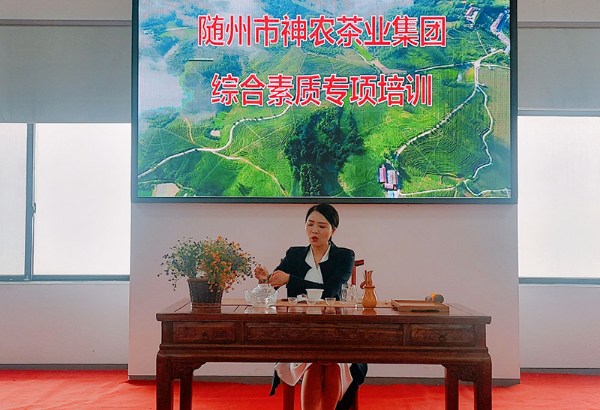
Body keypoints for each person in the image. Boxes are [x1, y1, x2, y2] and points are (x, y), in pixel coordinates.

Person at [254, 203, 367, 410]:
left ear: (333, 230)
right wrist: (265, 279)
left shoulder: (344, 256)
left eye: (322, 226)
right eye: (310, 224)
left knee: (328, 362)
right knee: (317, 362)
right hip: (298, 329)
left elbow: (331, 290)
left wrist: (290, 279)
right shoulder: (294, 254)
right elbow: (273, 285)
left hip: (335, 330)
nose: (314, 231)